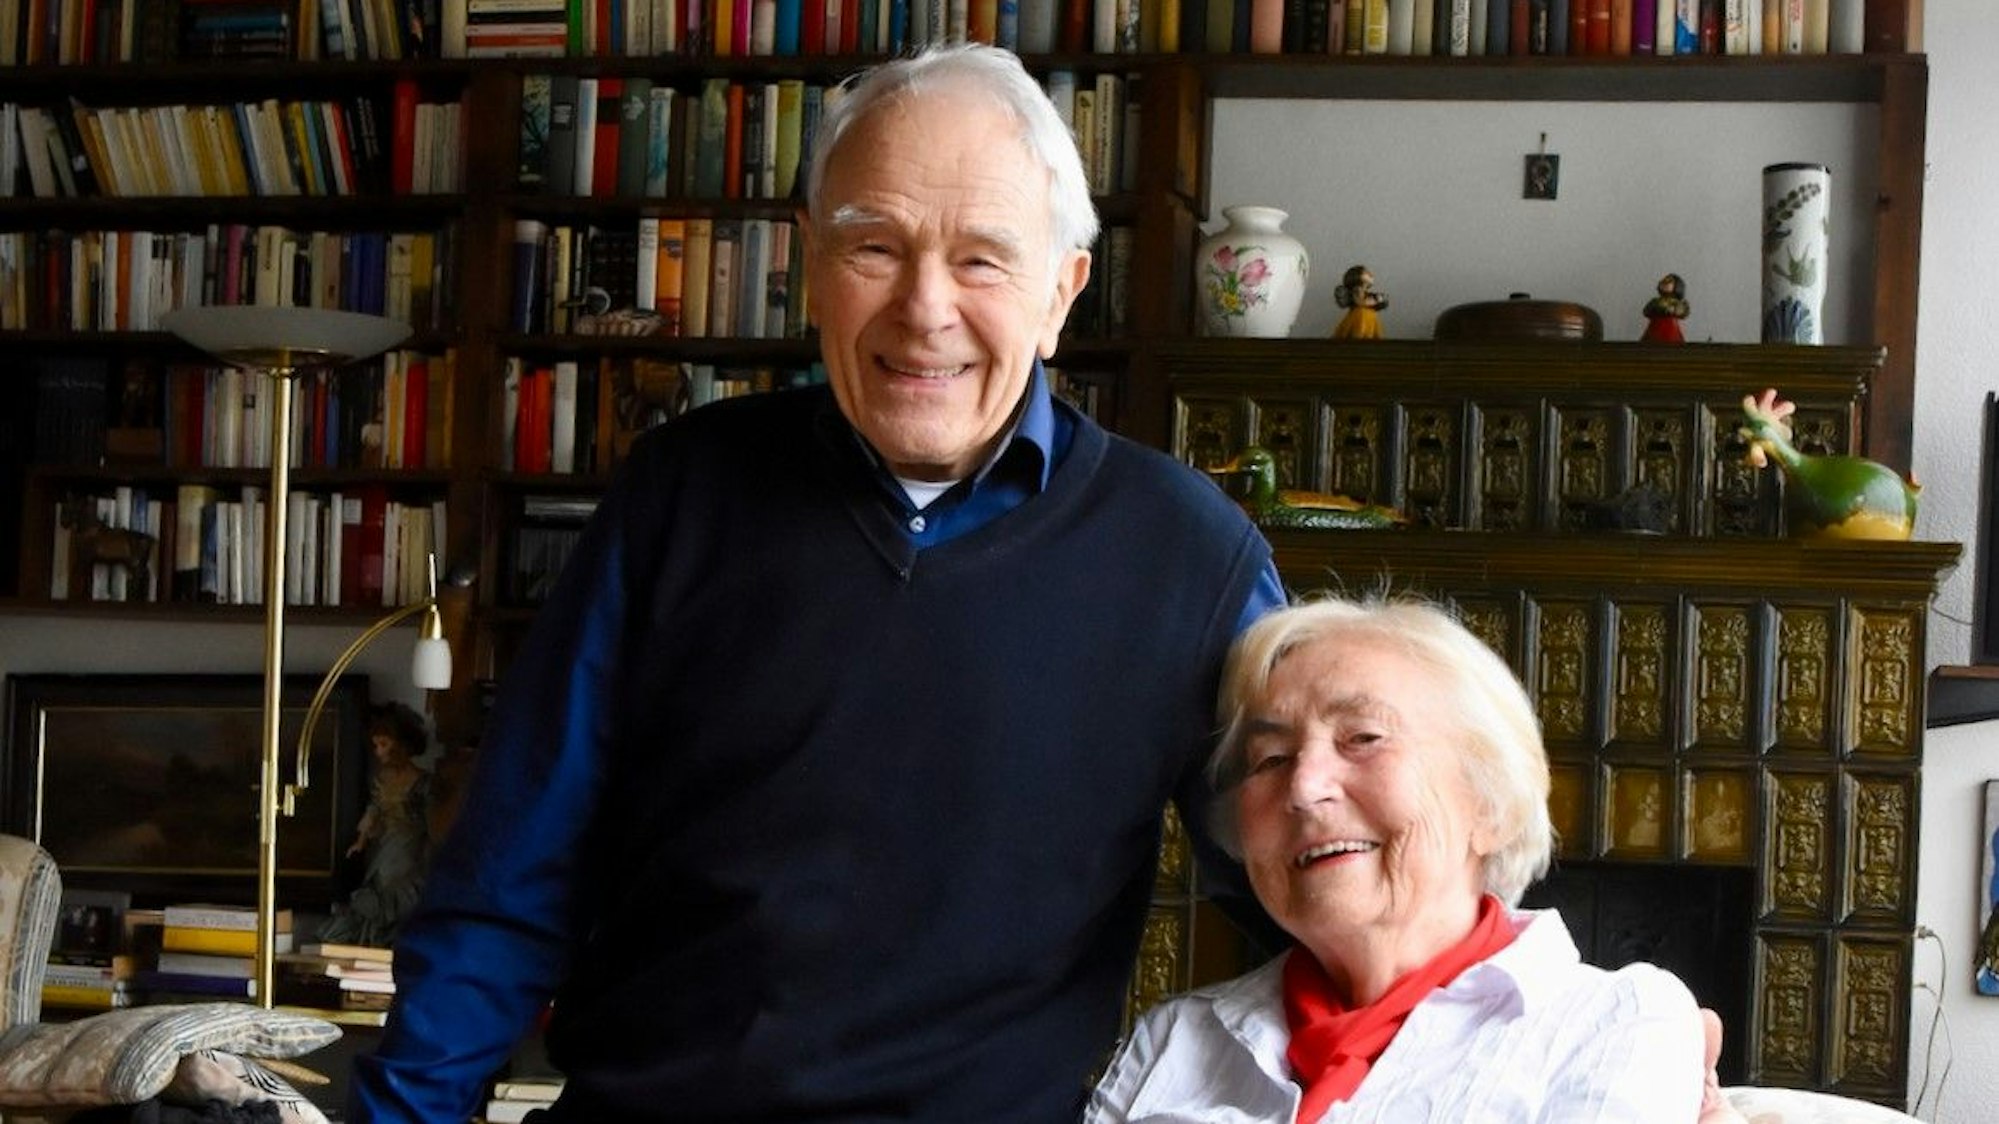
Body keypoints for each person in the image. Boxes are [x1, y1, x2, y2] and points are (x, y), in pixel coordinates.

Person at [350, 43, 1287, 1122]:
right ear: (807, 264)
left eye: (982, 260)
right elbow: (508, 883)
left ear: (1059, 293)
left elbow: (1319, 888)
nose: (924, 309)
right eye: (875, 246)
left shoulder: (1186, 554)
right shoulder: (679, 492)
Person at [1085, 595, 1710, 1122]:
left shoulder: (1613, 1022)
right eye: (1270, 760)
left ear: (1487, 803)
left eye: (1363, 738)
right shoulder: (1178, 1038)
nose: (1304, 788)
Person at [319, 702, 431, 948]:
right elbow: (373, 810)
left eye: (384, 744)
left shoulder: (421, 782)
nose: (379, 752)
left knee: (399, 888)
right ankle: (373, 936)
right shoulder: (382, 780)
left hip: (409, 844)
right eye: (376, 745)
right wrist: (360, 841)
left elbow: (430, 821)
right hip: (384, 841)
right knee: (376, 884)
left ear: (401, 744)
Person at [1331, 265, 1387, 340]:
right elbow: (1359, 302)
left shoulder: (1367, 294)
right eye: (1366, 273)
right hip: (1360, 316)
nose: (1370, 275)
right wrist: (1374, 301)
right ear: (1357, 276)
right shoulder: (1357, 290)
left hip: (1368, 315)